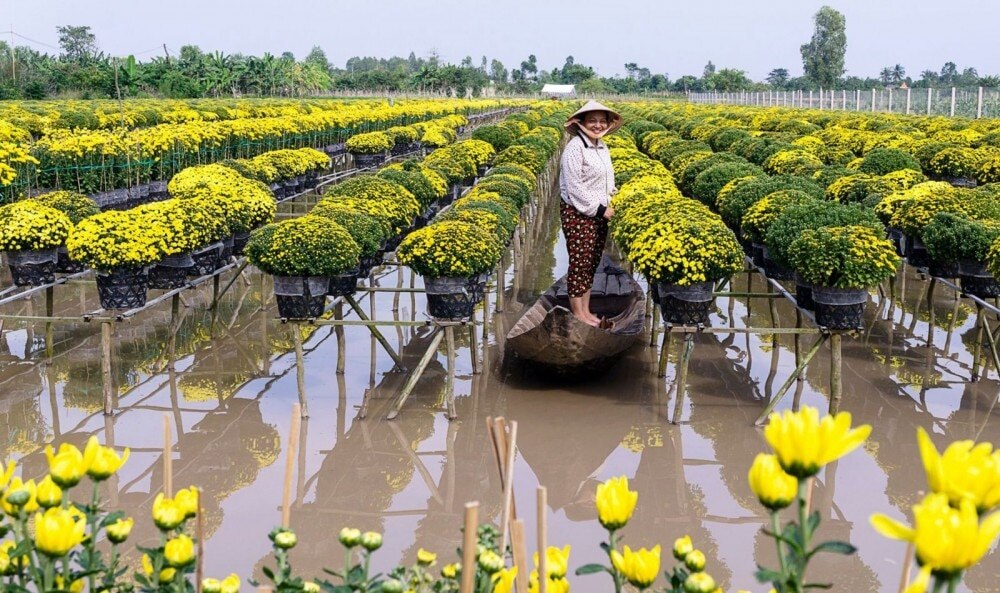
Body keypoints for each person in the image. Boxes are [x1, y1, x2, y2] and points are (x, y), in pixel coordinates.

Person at [558, 100, 623, 327]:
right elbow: (575, 188)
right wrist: (601, 210)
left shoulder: (602, 146)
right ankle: (579, 315)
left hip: (599, 213)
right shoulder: (575, 148)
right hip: (579, 213)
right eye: (592, 120)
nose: (597, 125)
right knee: (580, 263)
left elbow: (607, 180)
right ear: (581, 123)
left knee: (591, 262)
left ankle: (586, 311)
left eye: (601, 121)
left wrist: (614, 199)